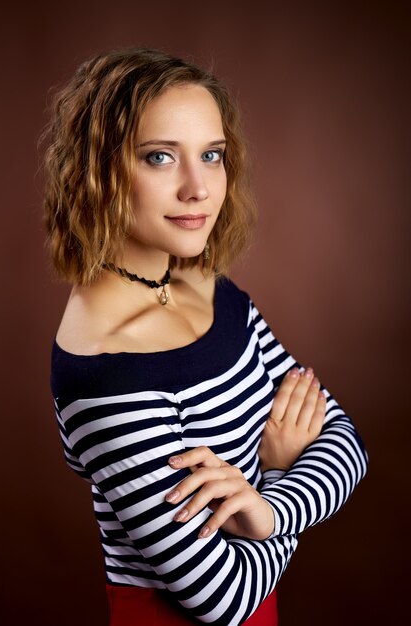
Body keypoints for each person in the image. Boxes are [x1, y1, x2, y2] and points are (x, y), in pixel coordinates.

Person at [43, 48, 368, 626]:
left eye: (211, 155)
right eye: (160, 157)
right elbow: (225, 598)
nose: (199, 188)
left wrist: (265, 511)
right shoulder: (105, 374)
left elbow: (347, 441)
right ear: (99, 168)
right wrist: (278, 472)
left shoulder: (203, 282)